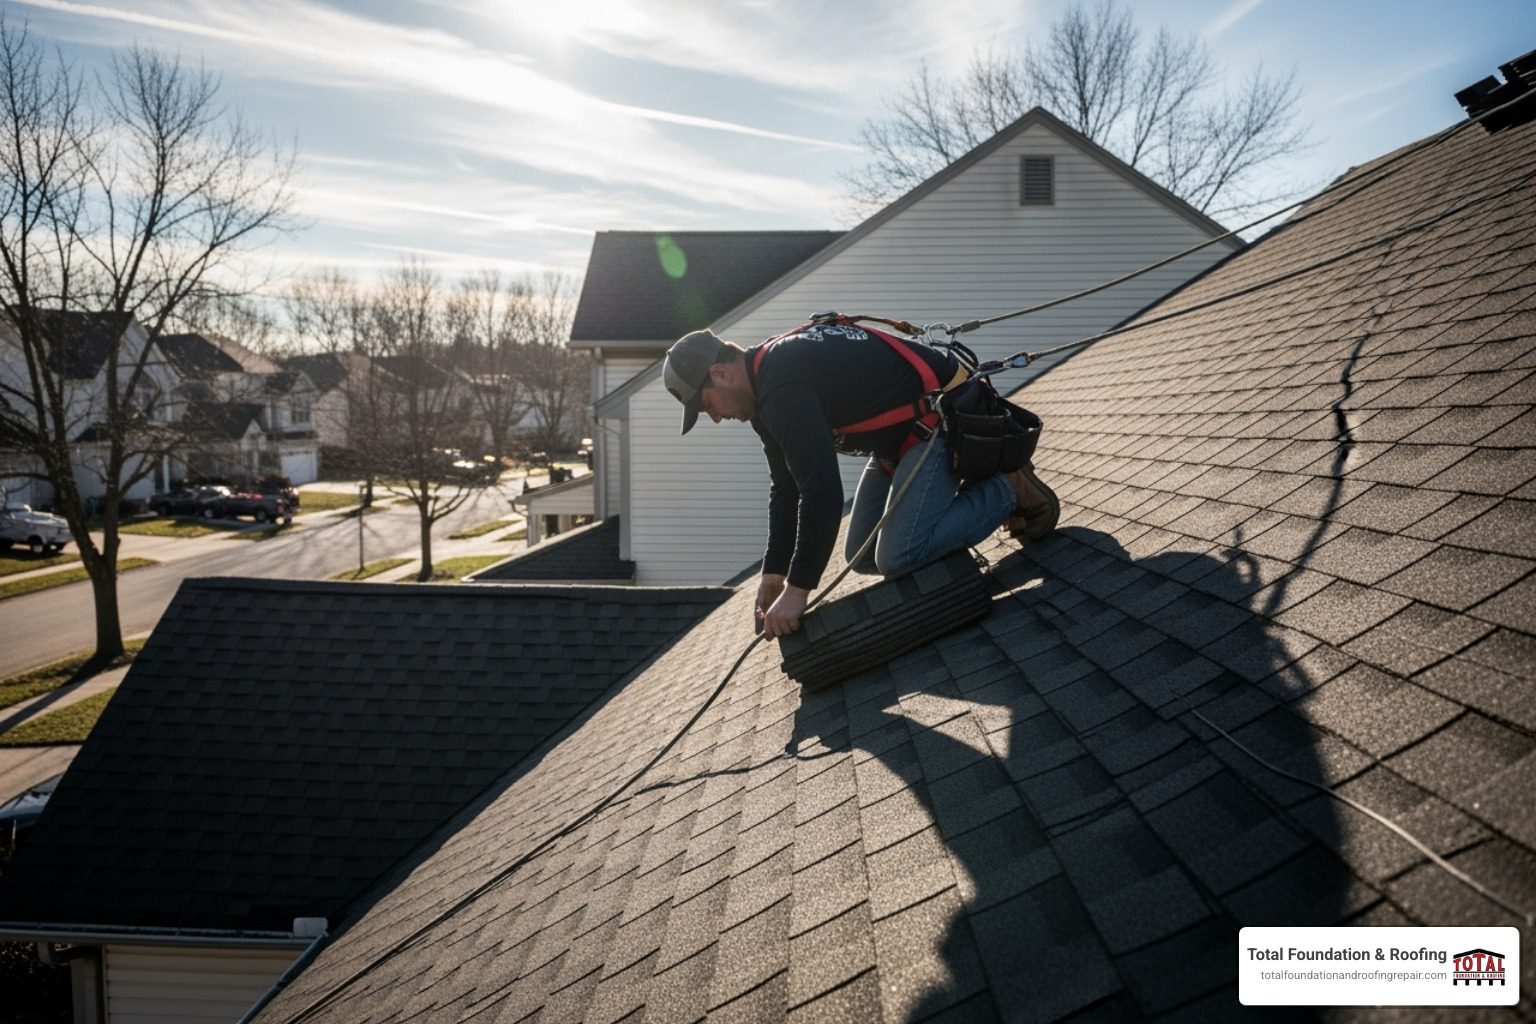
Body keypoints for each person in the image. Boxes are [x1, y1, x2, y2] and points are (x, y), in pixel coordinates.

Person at [663, 322, 1058, 638]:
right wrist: (775, 573)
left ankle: (1006, 487)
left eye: (706, 404)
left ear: (720, 374)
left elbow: (821, 491)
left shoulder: (781, 385)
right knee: (863, 556)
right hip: (900, 442)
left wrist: (798, 591)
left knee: (899, 555)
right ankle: (956, 514)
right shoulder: (765, 389)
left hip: (943, 417)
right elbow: (785, 488)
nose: (714, 417)